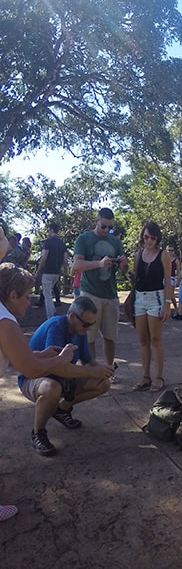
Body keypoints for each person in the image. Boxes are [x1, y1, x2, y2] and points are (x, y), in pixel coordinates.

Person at [0, 261, 79, 516]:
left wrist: (42, 354)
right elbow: (30, 370)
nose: (30, 302)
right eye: (26, 296)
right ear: (12, 295)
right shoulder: (6, 322)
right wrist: (60, 359)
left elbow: (13, 356)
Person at [18, 296, 115, 456]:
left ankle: (61, 410)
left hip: (62, 379)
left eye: (92, 324)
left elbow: (88, 361)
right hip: (33, 378)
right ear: (71, 317)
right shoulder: (56, 326)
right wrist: (92, 371)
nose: (89, 328)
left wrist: (103, 370)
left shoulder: (80, 331)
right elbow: (56, 367)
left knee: (103, 383)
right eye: (86, 324)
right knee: (52, 388)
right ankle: (38, 433)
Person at [71, 208, 128, 382]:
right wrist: (99, 263)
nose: (106, 231)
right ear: (97, 221)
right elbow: (77, 264)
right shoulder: (84, 239)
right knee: (89, 336)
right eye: (103, 226)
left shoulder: (115, 241)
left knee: (110, 336)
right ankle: (92, 371)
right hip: (89, 293)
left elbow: (123, 270)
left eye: (110, 228)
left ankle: (109, 371)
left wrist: (124, 263)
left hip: (110, 294)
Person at [130, 222, 172, 392]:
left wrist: (168, 304)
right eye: (146, 237)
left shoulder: (163, 255)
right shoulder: (138, 255)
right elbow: (136, 278)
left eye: (152, 238)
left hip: (156, 297)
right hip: (140, 297)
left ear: (157, 238)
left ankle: (159, 376)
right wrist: (128, 273)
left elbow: (169, 280)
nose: (149, 241)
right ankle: (145, 376)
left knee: (155, 339)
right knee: (143, 340)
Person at [36, 223, 69, 321]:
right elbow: (65, 260)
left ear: (51, 230)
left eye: (48, 230)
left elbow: (44, 258)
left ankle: (51, 316)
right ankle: (53, 313)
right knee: (48, 293)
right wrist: (64, 271)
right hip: (56, 272)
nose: (47, 232)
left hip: (47, 271)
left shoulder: (48, 242)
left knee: (47, 295)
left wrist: (38, 271)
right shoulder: (62, 244)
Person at [167, 244, 180, 313]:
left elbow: (178, 270)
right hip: (164, 278)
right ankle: (166, 310)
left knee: (171, 295)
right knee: (164, 295)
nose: (170, 252)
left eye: (172, 250)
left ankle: (176, 309)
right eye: (169, 250)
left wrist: (178, 279)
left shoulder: (175, 260)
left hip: (172, 278)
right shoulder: (164, 259)